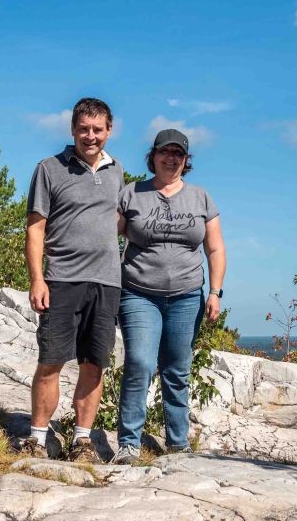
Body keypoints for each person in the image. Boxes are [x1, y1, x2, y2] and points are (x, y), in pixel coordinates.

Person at [112, 128, 226, 465]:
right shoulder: (132, 194)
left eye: (179, 153)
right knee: (140, 364)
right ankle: (129, 444)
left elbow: (215, 248)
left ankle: (177, 443)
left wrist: (215, 292)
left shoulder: (201, 198)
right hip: (138, 293)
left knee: (177, 369)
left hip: (187, 295)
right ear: (153, 155)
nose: (171, 158)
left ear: (186, 159)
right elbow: (107, 239)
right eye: (165, 151)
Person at [24, 97, 125, 458]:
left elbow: (120, 221)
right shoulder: (50, 168)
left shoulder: (117, 172)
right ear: (72, 130)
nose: (90, 136)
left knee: (94, 363)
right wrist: (38, 279)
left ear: (109, 131)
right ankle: (37, 438)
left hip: (107, 282)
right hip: (62, 279)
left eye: (98, 129)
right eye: (84, 128)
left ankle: (82, 439)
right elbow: (36, 229)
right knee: (51, 360)